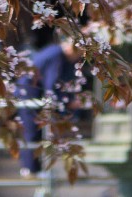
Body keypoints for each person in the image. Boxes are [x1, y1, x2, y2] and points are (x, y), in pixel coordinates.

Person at [14, 37, 81, 175]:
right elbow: (52, 84)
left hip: (32, 94)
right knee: (32, 132)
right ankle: (30, 169)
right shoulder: (56, 55)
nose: (78, 57)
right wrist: (67, 101)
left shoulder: (55, 53)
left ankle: (33, 169)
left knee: (36, 132)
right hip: (29, 94)